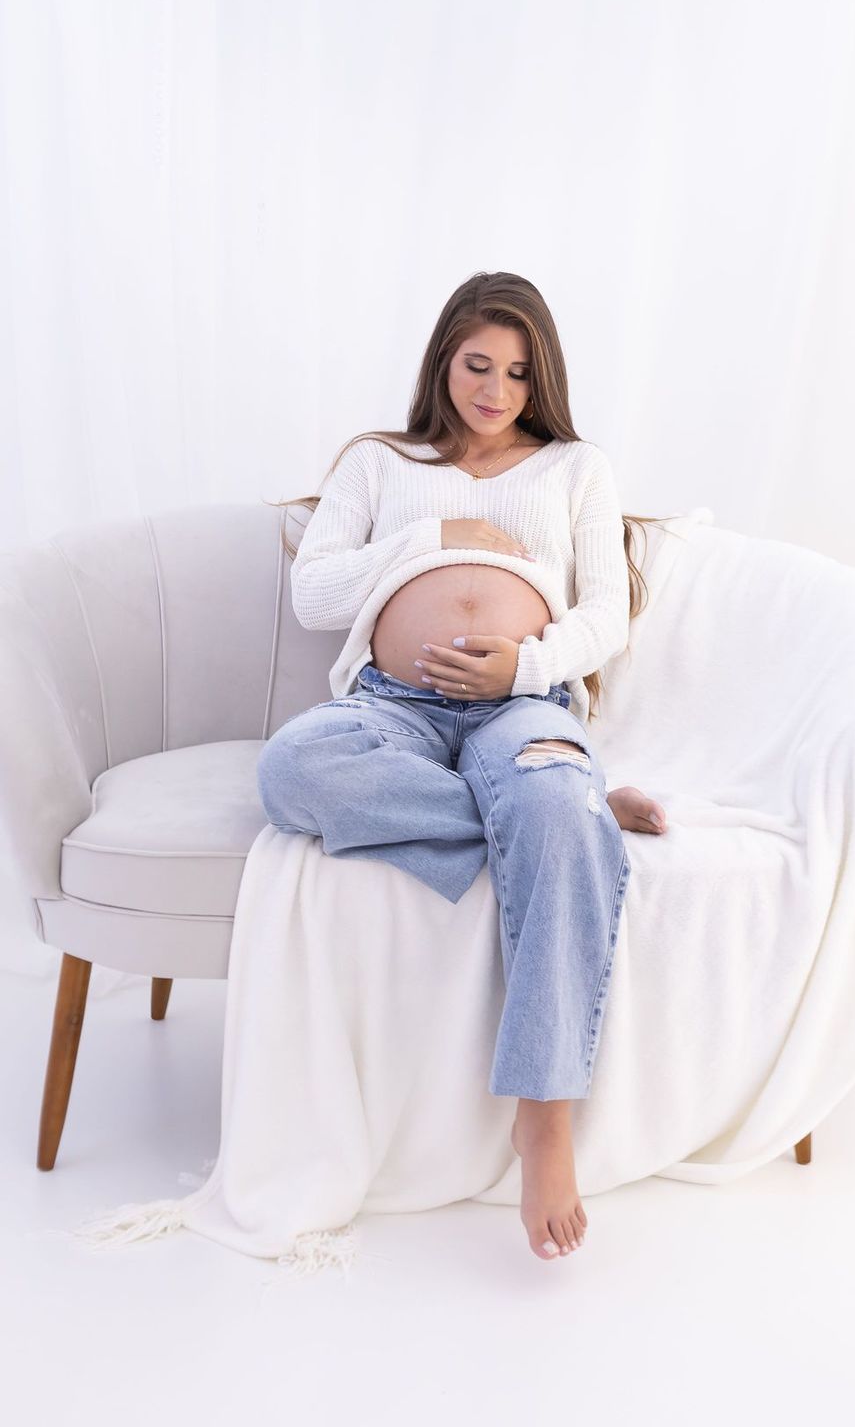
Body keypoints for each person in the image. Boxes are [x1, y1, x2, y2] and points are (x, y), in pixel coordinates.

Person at [259, 269, 673, 1264]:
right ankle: (560, 808)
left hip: (522, 702)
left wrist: (524, 666)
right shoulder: (380, 462)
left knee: (546, 798)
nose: (495, 391)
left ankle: (545, 1117)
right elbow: (315, 591)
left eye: (519, 374)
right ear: (444, 359)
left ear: (542, 382)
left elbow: (606, 617)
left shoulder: (573, 467)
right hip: (390, 709)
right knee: (292, 771)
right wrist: (436, 534)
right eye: (478, 365)